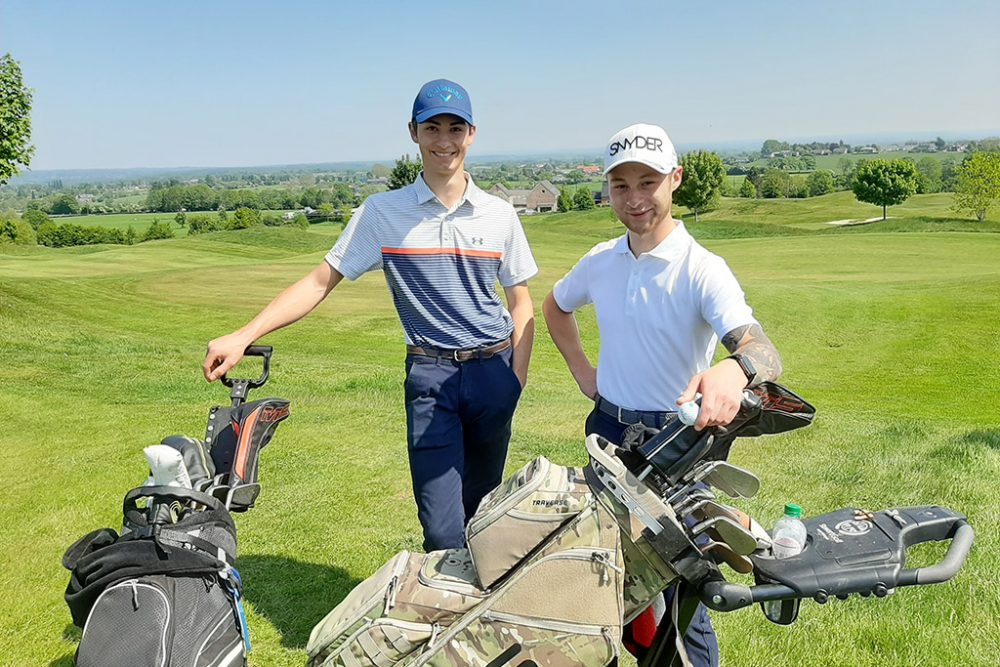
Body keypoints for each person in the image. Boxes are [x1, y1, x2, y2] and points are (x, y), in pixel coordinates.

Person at [203, 79, 537, 552]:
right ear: (414, 133)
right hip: (430, 374)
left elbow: (521, 302)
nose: (445, 140)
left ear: (472, 133)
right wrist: (244, 334)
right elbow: (320, 282)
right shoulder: (382, 214)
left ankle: (470, 621)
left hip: (493, 372)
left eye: (455, 128)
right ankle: (442, 603)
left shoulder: (499, 214)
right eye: (433, 128)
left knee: (484, 518)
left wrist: (514, 380)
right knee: (443, 532)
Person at [542, 123, 782, 667]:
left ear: (674, 180)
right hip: (607, 435)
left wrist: (735, 370)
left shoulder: (702, 269)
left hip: (674, 447)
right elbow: (556, 307)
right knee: (602, 576)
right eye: (621, 186)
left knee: (679, 593)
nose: (634, 199)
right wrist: (585, 373)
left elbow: (763, 351)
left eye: (647, 182)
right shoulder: (601, 260)